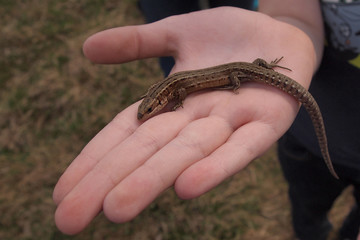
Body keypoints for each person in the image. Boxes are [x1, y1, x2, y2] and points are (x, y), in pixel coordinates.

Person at [52, 0, 360, 239]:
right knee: (308, 198)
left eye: (150, 109)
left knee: (238, 80)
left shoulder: (175, 90)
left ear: (159, 99)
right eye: (149, 110)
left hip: (244, 74)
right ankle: (311, 230)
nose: (149, 112)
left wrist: (232, 85)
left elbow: (184, 90)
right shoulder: (170, 89)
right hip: (299, 131)